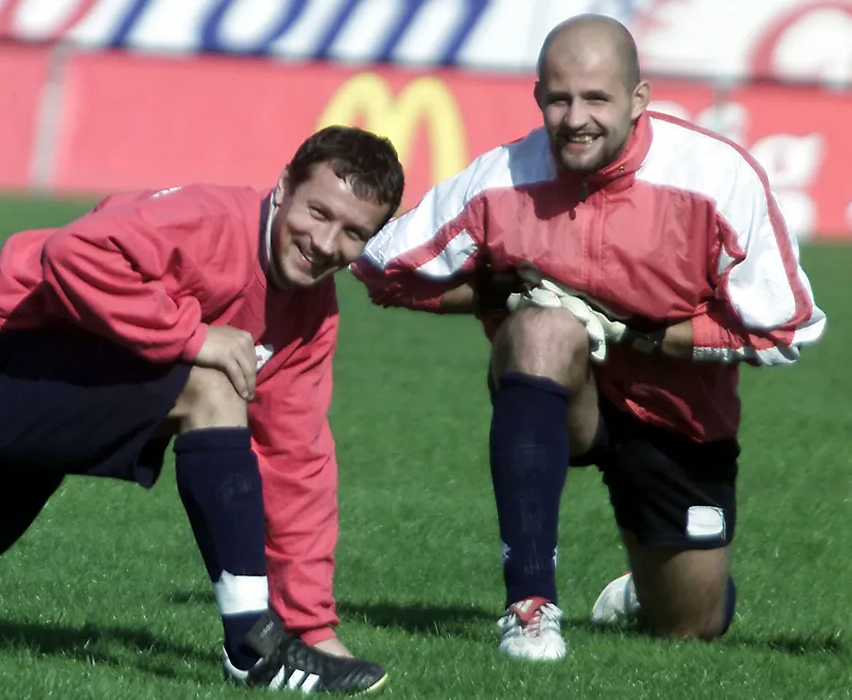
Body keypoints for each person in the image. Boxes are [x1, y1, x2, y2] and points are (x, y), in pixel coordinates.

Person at [0, 125, 405, 693]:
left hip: (42, 420)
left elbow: (295, 464)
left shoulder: (311, 318)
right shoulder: (210, 220)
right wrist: (193, 336)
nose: (326, 243)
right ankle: (253, 646)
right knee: (211, 386)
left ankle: (278, 641)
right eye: (318, 212)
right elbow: (73, 253)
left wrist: (313, 626)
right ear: (284, 186)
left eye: (353, 233)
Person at [351, 14, 825, 662]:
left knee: (691, 625)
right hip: (567, 395)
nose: (576, 119)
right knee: (540, 329)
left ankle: (649, 585)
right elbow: (383, 268)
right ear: (537, 96)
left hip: (678, 416)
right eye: (559, 99)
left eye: (597, 98)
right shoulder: (503, 177)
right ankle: (530, 608)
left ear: (638, 99)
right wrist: (501, 296)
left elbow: (786, 327)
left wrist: (645, 336)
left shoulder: (718, 177)